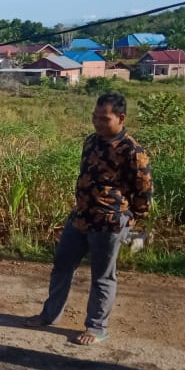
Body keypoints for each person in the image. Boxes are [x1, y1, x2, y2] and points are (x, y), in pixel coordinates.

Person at [25, 91, 152, 344]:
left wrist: (131, 219)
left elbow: (144, 190)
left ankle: (96, 327)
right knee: (62, 265)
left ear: (121, 117)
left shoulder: (132, 151)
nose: (98, 123)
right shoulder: (91, 141)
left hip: (109, 222)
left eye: (104, 119)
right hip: (81, 217)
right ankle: (49, 315)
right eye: (95, 117)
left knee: (102, 276)